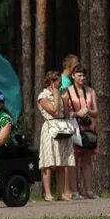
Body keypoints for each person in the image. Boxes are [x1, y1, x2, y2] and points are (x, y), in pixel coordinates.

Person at [37, 72, 75, 202]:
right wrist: (56, 96)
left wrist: (64, 101)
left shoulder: (59, 94)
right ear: (52, 82)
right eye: (59, 82)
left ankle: (61, 192)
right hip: (50, 129)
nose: (61, 84)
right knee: (48, 162)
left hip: (62, 127)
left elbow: (64, 114)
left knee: (61, 162)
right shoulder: (43, 96)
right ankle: (48, 193)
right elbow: (53, 111)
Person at [64, 65, 99, 199]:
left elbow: (96, 112)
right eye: (79, 75)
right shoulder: (67, 92)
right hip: (74, 128)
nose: (82, 78)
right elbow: (65, 113)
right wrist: (77, 114)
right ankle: (74, 191)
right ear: (73, 76)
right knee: (74, 159)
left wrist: (88, 111)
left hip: (89, 129)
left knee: (87, 160)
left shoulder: (91, 91)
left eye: (83, 75)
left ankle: (89, 190)